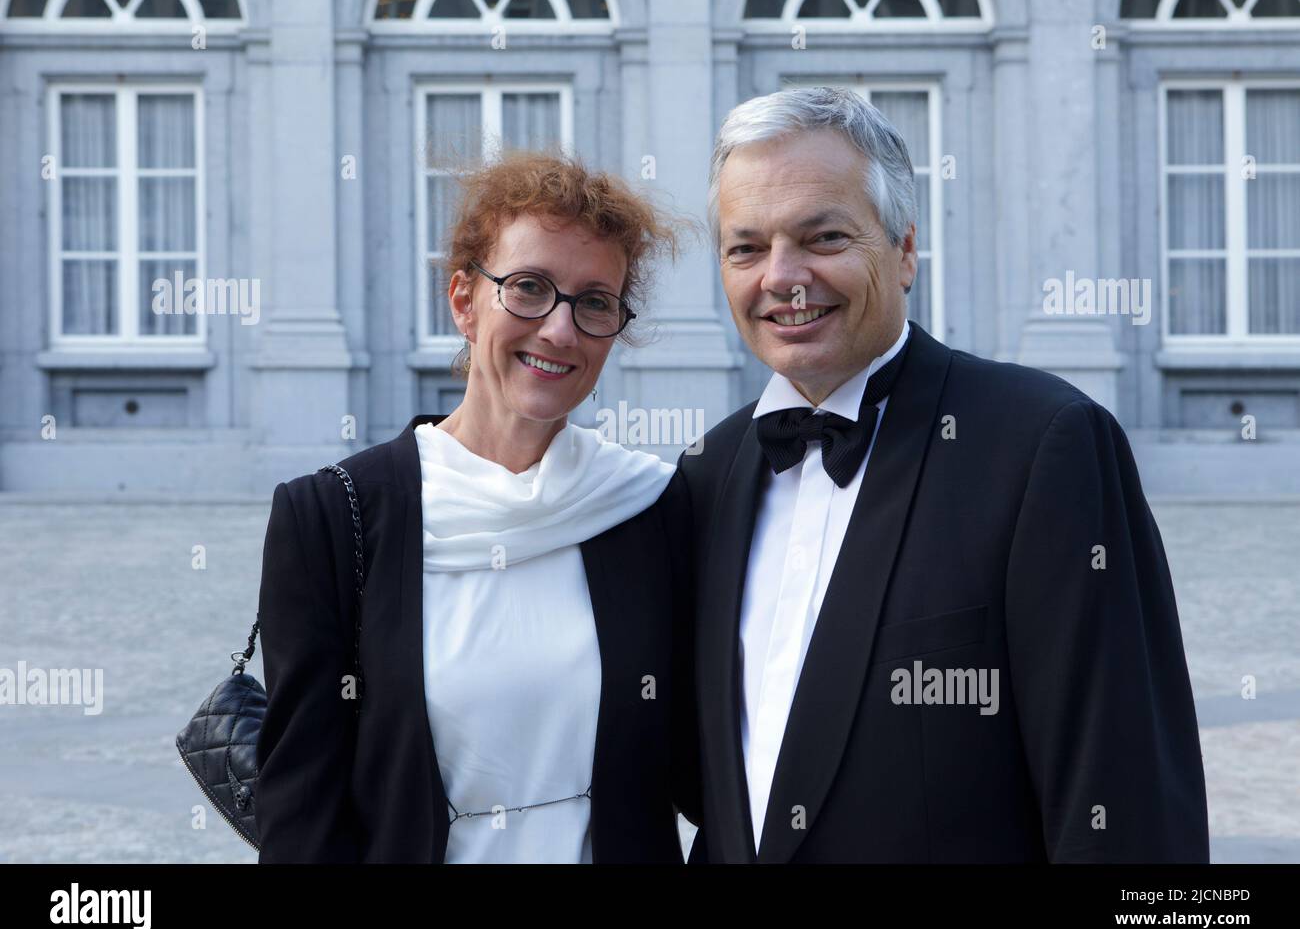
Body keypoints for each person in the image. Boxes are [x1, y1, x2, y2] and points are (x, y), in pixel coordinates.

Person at [669, 86, 1209, 862]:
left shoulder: (1046, 445)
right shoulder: (707, 474)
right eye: (746, 248)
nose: (783, 278)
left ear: (906, 251)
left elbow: (1125, 799)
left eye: (823, 238)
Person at [255, 151, 699, 862]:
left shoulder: (647, 506)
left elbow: (704, 769)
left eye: (594, 302)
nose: (560, 329)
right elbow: (301, 810)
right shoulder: (334, 520)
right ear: (464, 301)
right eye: (528, 287)